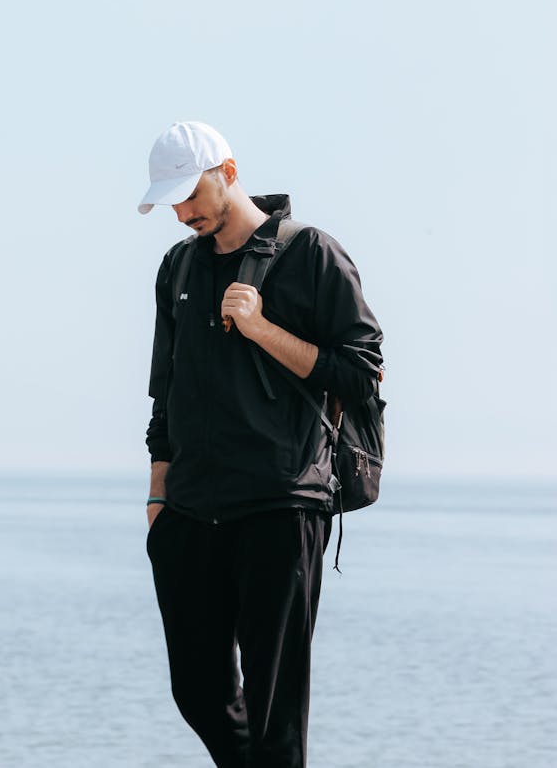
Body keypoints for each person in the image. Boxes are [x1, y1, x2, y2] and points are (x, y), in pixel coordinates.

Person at [139, 120, 384, 768]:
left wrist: (260, 327)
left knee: (276, 711)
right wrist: (157, 503)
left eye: (190, 193)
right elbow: (165, 396)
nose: (183, 212)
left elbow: (361, 371)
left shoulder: (311, 254)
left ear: (230, 170)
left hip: (280, 506)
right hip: (189, 512)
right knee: (197, 691)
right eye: (172, 201)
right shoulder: (178, 267)